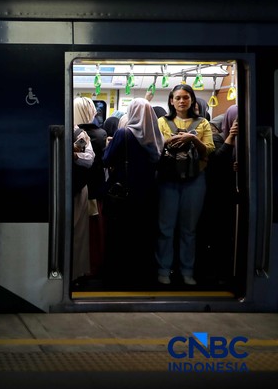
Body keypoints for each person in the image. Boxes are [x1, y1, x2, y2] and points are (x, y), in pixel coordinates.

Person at [155, 84, 215, 286]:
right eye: (178, 98)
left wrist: (191, 138)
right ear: (171, 100)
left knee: (189, 229)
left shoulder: (203, 123)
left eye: (186, 97)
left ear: (192, 100)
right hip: (167, 180)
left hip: (195, 179)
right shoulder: (162, 122)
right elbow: (154, 145)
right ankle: (163, 269)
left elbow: (208, 150)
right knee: (166, 227)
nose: (182, 101)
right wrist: (169, 140)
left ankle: (187, 270)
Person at [102, 98, 164, 285]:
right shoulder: (156, 134)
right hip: (148, 192)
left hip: (124, 192)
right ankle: (142, 272)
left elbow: (106, 159)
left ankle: (120, 273)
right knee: (143, 233)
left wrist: (108, 145)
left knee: (121, 234)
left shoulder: (124, 133)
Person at [197, 104, 238, 283]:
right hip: (213, 195)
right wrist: (230, 138)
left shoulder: (243, 142)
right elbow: (216, 163)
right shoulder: (217, 138)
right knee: (214, 234)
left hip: (225, 195)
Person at [74, 97, 108, 276]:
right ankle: (89, 267)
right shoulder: (100, 134)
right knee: (90, 231)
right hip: (92, 187)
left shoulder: (71, 132)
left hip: (74, 185)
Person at [71, 100, 95, 282]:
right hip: (75, 186)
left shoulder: (79, 133)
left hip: (76, 187)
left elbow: (89, 159)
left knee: (77, 231)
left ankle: (75, 272)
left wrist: (74, 155)